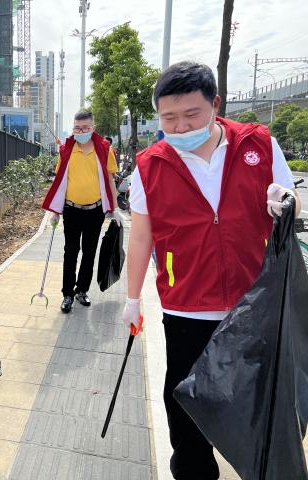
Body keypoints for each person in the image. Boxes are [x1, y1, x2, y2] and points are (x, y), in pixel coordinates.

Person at [122, 61, 302, 479]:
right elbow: (140, 237)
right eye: (169, 118)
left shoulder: (257, 145)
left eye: (192, 115)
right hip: (187, 308)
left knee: (260, 407)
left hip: (253, 306)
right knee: (186, 409)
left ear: (215, 105)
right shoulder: (150, 165)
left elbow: (289, 198)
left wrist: (284, 202)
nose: (181, 127)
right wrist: (132, 299)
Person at [42, 110, 124, 313]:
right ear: (73, 128)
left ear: (93, 128)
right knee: (70, 251)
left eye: (86, 128)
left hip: (94, 211)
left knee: (89, 252)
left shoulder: (104, 149)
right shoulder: (67, 150)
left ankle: (81, 290)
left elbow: (111, 181)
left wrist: (114, 209)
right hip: (71, 210)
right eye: (78, 128)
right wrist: (55, 211)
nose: (81, 131)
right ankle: (67, 294)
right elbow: (60, 180)